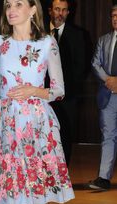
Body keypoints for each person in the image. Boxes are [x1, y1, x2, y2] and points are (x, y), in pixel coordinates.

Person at [0, 0, 74, 204]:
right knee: (10, 197)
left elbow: (59, 90)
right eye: (8, 4)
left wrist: (35, 90)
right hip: (5, 126)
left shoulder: (46, 43)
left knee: (39, 199)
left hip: (37, 126)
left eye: (18, 4)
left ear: (33, 10)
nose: (11, 9)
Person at [47, 0, 85, 166]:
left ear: (68, 13)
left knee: (65, 136)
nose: (60, 13)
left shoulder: (78, 35)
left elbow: (81, 66)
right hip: (42, 96)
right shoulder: (38, 33)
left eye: (64, 10)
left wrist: (65, 90)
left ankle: (63, 174)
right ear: (50, 11)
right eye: (57, 9)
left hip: (67, 98)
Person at [89, 5, 117, 191]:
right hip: (108, 94)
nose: (115, 18)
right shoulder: (104, 40)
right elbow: (95, 62)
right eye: (114, 15)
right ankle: (103, 178)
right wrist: (109, 80)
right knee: (108, 135)